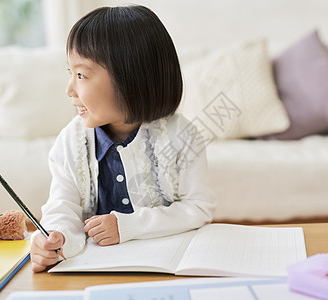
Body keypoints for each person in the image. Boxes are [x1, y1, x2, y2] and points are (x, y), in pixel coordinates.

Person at [30, 5, 216, 272]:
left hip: (165, 266)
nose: (69, 88)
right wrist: (56, 240)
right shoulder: (71, 142)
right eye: (70, 74)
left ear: (131, 78)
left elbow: (198, 207)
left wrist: (128, 226)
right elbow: (62, 207)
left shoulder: (180, 136)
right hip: (96, 271)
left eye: (81, 75)